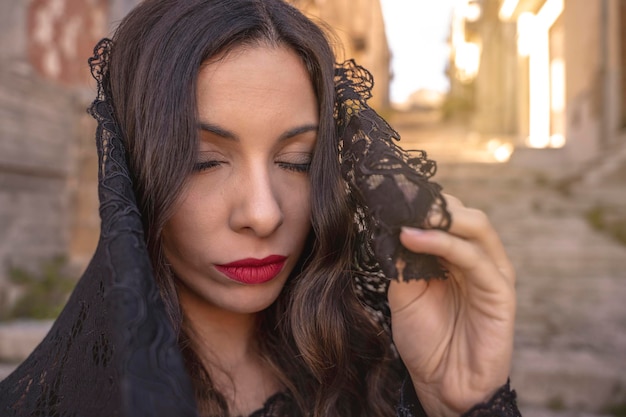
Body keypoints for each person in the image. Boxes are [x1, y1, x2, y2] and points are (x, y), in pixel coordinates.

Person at [0, 0, 520, 416]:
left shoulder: (377, 378)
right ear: (134, 169)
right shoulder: (50, 403)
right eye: (204, 161)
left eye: (297, 161)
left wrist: (464, 405)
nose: (263, 213)